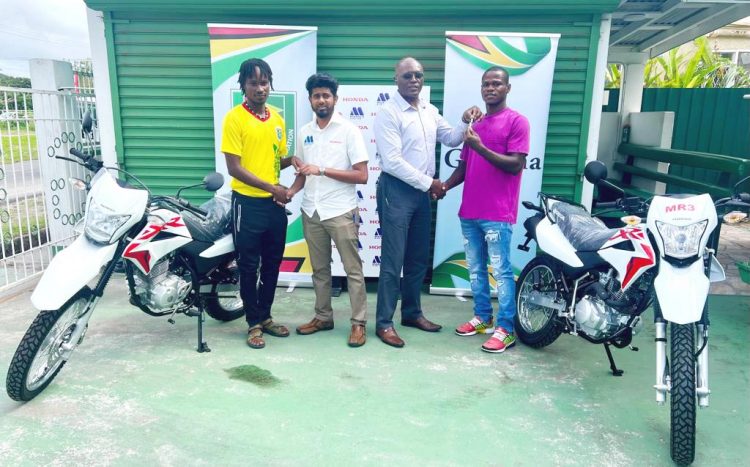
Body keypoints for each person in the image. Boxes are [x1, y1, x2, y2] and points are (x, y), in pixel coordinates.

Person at [373, 56, 482, 348]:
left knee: (418, 257)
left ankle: (411, 313)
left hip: (421, 193)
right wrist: (430, 184)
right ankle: (384, 323)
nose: (413, 80)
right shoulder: (388, 112)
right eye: (407, 76)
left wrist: (465, 119)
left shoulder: (428, 109)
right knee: (393, 260)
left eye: (418, 75)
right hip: (396, 190)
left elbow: (450, 138)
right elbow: (393, 162)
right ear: (395, 79)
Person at [442, 66, 530, 353]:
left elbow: (515, 164)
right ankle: (482, 316)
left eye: (496, 84)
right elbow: (464, 168)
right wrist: (442, 187)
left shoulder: (517, 122)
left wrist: (480, 148)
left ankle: (505, 328)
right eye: (486, 85)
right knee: (477, 270)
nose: (490, 89)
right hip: (470, 212)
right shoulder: (475, 125)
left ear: (507, 88)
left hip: (497, 214)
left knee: (502, 271)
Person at [221, 58, 300, 349]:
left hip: (274, 206)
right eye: (253, 83)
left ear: (270, 84)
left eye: (264, 82)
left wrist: (295, 160)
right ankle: (253, 323)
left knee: (272, 265)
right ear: (243, 85)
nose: (259, 88)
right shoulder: (235, 118)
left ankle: (266, 316)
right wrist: (270, 187)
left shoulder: (278, 119)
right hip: (247, 204)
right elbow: (234, 167)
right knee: (249, 266)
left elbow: (276, 161)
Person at [288, 72, 370, 347]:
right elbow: (302, 172)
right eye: (316, 95)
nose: (321, 100)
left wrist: (321, 170)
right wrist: (289, 192)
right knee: (320, 270)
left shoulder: (349, 131)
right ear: (310, 100)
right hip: (312, 211)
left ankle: (358, 323)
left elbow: (362, 175)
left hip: (341, 211)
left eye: (326, 95)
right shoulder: (304, 132)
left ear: (335, 98)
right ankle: (323, 317)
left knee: (352, 270)